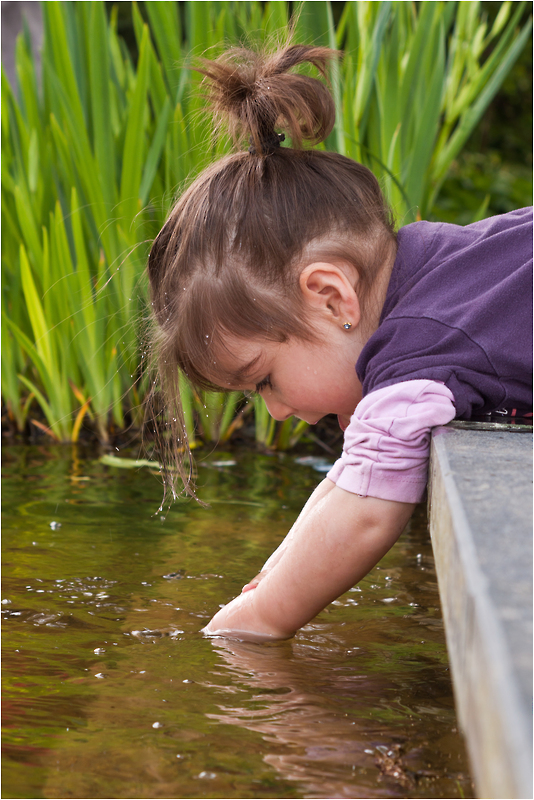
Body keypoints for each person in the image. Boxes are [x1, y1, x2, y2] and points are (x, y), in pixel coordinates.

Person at [147, 44, 532, 643]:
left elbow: (366, 510)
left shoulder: (421, 346)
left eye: (263, 378)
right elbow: (352, 473)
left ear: (332, 297)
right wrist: (269, 576)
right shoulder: (436, 269)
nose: (274, 409)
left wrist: (257, 623)